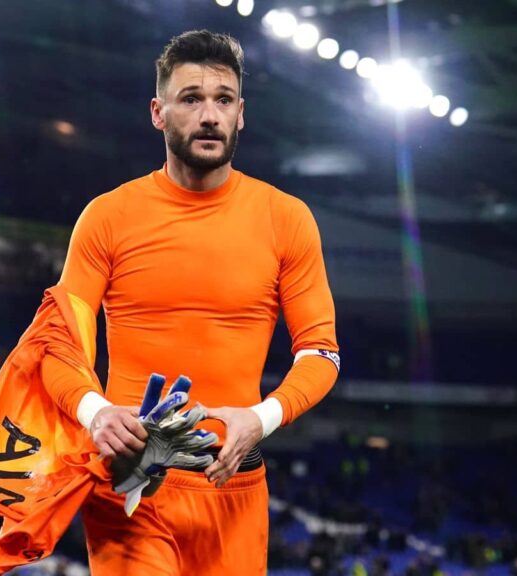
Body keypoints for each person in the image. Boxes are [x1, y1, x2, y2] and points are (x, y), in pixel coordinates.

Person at [40, 29, 340, 575]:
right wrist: (96, 412)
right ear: (158, 113)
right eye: (191, 99)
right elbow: (58, 347)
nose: (209, 116)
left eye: (223, 100)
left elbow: (321, 353)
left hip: (234, 486)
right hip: (132, 484)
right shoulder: (108, 217)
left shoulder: (286, 219)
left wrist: (261, 418)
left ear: (241, 114)